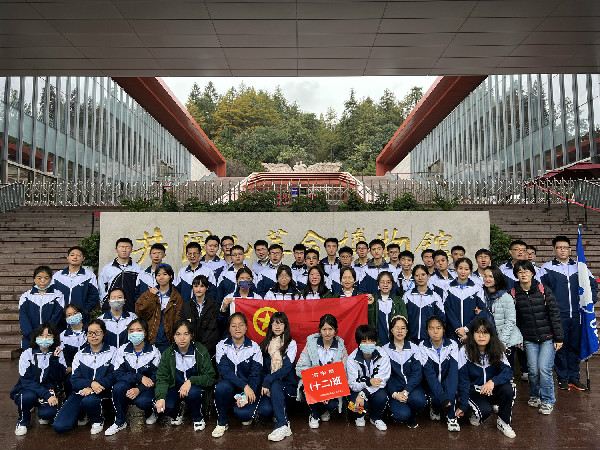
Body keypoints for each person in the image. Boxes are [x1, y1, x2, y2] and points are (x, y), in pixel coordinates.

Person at [541, 235, 598, 391]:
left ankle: (574, 377)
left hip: (578, 315)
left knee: (574, 347)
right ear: (553, 249)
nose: (562, 250)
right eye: (559, 247)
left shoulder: (580, 267)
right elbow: (541, 290)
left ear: (570, 249)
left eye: (565, 247)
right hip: (558, 316)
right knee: (560, 347)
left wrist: (590, 301)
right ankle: (563, 378)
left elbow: (593, 285)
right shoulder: (546, 268)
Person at [512, 260, 563, 414]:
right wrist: (517, 338)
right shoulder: (513, 293)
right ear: (516, 275)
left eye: (526, 271)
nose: (523, 274)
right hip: (529, 338)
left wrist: (559, 338)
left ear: (532, 273)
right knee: (533, 370)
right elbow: (513, 319)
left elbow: (554, 314)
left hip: (548, 337)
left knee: (544, 368)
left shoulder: (543, 289)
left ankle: (548, 400)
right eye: (520, 271)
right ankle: (535, 395)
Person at [53, 319, 117, 434]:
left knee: (89, 400)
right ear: (86, 335)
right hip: (81, 392)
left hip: (103, 391)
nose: (94, 336)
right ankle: (84, 412)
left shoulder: (113, 352)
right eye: (90, 333)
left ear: (103, 333)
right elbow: (75, 380)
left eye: (97, 332)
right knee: (59, 426)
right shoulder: (80, 355)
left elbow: (113, 376)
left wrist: (94, 387)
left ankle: (97, 420)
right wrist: (90, 383)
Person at [458, 318, 516, 438]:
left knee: (509, 388)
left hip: (491, 389)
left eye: (485, 332)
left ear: (490, 334)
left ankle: (503, 422)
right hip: (475, 392)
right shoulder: (464, 351)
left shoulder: (496, 349)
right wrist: (463, 405)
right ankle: (476, 411)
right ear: (472, 334)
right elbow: (463, 380)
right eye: (477, 332)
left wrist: (493, 381)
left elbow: (508, 372)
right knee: (484, 412)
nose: (481, 336)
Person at [154, 320, 216, 431]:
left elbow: (210, 377)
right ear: (174, 336)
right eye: (178, 334)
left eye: (186, 334)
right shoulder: (168, 353)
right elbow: (162, 378)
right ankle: (176, 412)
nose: (182, 338)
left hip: (194, 388)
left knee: (193, 393)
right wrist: (161, 397)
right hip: (175, 387)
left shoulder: (200, 351)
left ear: (191, 335)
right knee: (165, 406)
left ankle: (197, 417)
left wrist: (191, 381)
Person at [105, 318, 162, 435]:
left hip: (146, 388)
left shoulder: (154, 352)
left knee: (143, 401)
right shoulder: (122, 350)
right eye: (131, 331)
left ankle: (151, 412)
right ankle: (120, 421)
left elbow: (156, 377)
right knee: (118, 388)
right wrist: (139, 377)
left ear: (145, 332)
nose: (135, 333)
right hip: (128, 385)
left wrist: (139, 389)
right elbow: (117, 373)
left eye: (139, 330)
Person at [213, 313, 263, 438]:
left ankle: (243, 408)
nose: (237, 328)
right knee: (221, 387)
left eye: (241, 325)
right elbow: (225, 371)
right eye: (233, 325)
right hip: (230, 385)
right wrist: (244, 385)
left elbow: (256, 374)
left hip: (248, 387)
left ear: (246, 327)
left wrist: (246, 394)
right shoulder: (221, 346)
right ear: (229, 328)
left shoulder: (254, 347)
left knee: (244, 416)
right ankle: (222, 422)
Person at [11, 322, 66, 436]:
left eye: (48, 335)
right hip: (29, 388)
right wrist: (47, 395)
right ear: (36, 337)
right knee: (27, 397)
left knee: (48, 413)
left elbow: (58, 378)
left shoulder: (57, 353)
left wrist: (54, 360)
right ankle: (22, 422)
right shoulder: (28, 354)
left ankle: (42, 411)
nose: (44, 338)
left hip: (48, 387)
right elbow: (27, 380)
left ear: (54, 337)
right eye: (41, 335)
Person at [296, 314, 349, 429]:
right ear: (320, 330)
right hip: (314, 383)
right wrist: (314, 372)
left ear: (336, 330)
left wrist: (328, 393)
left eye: (330, 329)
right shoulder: (310, 345)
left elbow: (344, 373)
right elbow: (299, 368)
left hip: (332, 385)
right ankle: (314, 414)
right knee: (307, 387)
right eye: (324, 329)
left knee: (332, 405)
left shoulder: (341, 348)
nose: (327, 333)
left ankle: (323, 410)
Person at [256, 312, 298, 442]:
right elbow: (261, 369)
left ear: (285, 325)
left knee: (276, 385)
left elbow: (286, 368)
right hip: (269, 388)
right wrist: (266, 381)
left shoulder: (291, 344)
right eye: (274, 323)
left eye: (280, 323)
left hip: (288, 389)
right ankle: (279, 413)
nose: (277, 326)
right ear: (270, 326)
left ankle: (282, 424)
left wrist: (269, 379)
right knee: (264, 411)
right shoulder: (264, 345)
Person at [419, 315, 463, 432]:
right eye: (431, 328)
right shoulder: (423, 346)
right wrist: (442, 397)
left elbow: (453, 373)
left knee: (452, 391)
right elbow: (429, 375)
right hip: (430, 385)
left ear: (443, 329)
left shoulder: (452, 345)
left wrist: (449, 397)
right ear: (427, 330)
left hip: (446, 382)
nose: (435, 332)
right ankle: (435, 406)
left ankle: (451, 417)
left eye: (438, 328)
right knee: (435, 398)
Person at [382, 315, 426, 428]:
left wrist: (406, 391)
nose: (400, 331)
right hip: (395, 390)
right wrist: (394, 394)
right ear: (392, 330)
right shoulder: (384, 350)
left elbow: (417, 373)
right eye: (396, 328)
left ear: (407, 330)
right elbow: (386, 375)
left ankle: (413, 415)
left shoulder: (414, 348)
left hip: (412, 388)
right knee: (402, 415)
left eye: (403, 328)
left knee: (419, 400)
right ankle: (393, 410)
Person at [346, 324, 391, 431]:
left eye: (371, 341)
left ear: (375, 341)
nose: (368, 344)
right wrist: (368, 382)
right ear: (359, 343)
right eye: (364, 341)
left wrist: (364, 393)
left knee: (382, 397)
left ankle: (375, 417)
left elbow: (382, 381)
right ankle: (360, 415)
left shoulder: (382, 354)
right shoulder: (352, 359)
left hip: (376, 389)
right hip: (358, 390)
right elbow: (352, 384)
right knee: (353, 405)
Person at [135, 264, 184, 352]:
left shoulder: (176, 297)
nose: (161, 277)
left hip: (168, 341)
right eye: (158, 275)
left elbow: (178, 319)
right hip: (151, 339)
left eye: (165, 274)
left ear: (171, 276)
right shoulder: (148, 293)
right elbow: (140, 312)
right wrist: (152, 297)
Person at [482, 266, 522, 370]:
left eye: (491, 276)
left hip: (505, 340)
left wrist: (501, 343)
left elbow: (510, 321)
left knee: (506, 370)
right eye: (485, 276)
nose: (487, 279)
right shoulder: (481, 295)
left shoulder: (506, 297)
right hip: (487, 339)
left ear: (497, 278)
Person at [19, 265, 65, 349]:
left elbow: (57, 317)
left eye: (46, 278)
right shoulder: (26, 296)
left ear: (51, 279)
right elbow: (23, 318)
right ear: (34, 279)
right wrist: (32, 336)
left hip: (50, 338)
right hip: (29, 339)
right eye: (39, 278)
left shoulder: (58, 295)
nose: (42, 281)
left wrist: (46, 334)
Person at [444, 257, 488, 343]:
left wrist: (466, 328)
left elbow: (483, 311)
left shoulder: (477, 288)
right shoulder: (448, 288)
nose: (463, 272)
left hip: (472, 331)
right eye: (460, 268)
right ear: (455, 269)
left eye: (466, 269)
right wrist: (458, 329)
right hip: (453, 332)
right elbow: (448, 310)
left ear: (470, 271)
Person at [52, 246, 99, 322]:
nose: (75, 257)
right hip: (60, 317)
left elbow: (94, 295)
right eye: (72, 255)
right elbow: (52, 295)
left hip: (81, 318)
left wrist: (85, 311)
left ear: (83, 258)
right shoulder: (57, 276)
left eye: (78, 255)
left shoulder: (89, 276)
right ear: (67, 257)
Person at [98, 237, 142, 313]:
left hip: (131, 308)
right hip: (110, 308)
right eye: (121, 247)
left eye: (127, 247)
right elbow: (101, 289)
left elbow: (139, 289)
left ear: (131, 250)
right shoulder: (107, 268)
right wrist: (104, 304)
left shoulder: (138, 269)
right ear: (116, 250)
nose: (124, 250)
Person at [180, 274, 220, 357]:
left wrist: (203, 350)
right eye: (196, 286)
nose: (198, 289)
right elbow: (185, 329)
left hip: (209, 350)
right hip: (190, 350)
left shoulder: (214, 305)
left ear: (207, 288)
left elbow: (213, 330)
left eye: (202, 286)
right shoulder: (186, 306)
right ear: (192, 288)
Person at [403, 264, 445, 343]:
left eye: (423, 275)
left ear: (428, 276)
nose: (420, 278)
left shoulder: (435, 297)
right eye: (417, 275)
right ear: (413, 277)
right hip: (410, 340)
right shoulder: (407, 296)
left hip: (429, 341)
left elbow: (441, 319)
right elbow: (403, 318)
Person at [367, 271, 407, 346]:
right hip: (377, 343)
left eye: (388, 282)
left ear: (392, 284)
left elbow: (404, 322)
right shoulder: (373, 299)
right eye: (382, 282)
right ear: (378, 283)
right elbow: (370, 323)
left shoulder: (398, 301)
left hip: (396, 343)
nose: (385, 285)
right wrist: (370, 306)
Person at [220, 267, 262, 332]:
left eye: (248, 278)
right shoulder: (230, 298)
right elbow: (221, 322)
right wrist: (224, 308)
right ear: (236, 280)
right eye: (242, 278)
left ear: (252, 280)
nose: (245, 281)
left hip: (253, 332)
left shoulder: (258, 298)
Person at [60, 303, 88, 397]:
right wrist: (69, 367)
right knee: (69, 381)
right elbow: (62, 356)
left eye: (75, 313)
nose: (73, 316)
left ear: (81, 313)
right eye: (69, 315)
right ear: (65, 319)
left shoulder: (90, 331)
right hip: (72, 370)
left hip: (91, 368)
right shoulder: (63, 336)